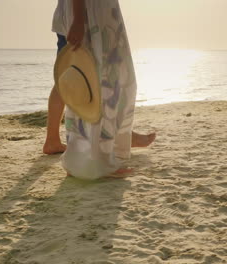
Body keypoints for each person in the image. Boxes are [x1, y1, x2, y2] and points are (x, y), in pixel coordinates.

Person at [43, 0, 155, 179]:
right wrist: (79, 19)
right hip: (88, 14)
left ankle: (108, 142)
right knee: (95, 81)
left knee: (83, 78)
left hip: (89, 13)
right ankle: (91, 157)